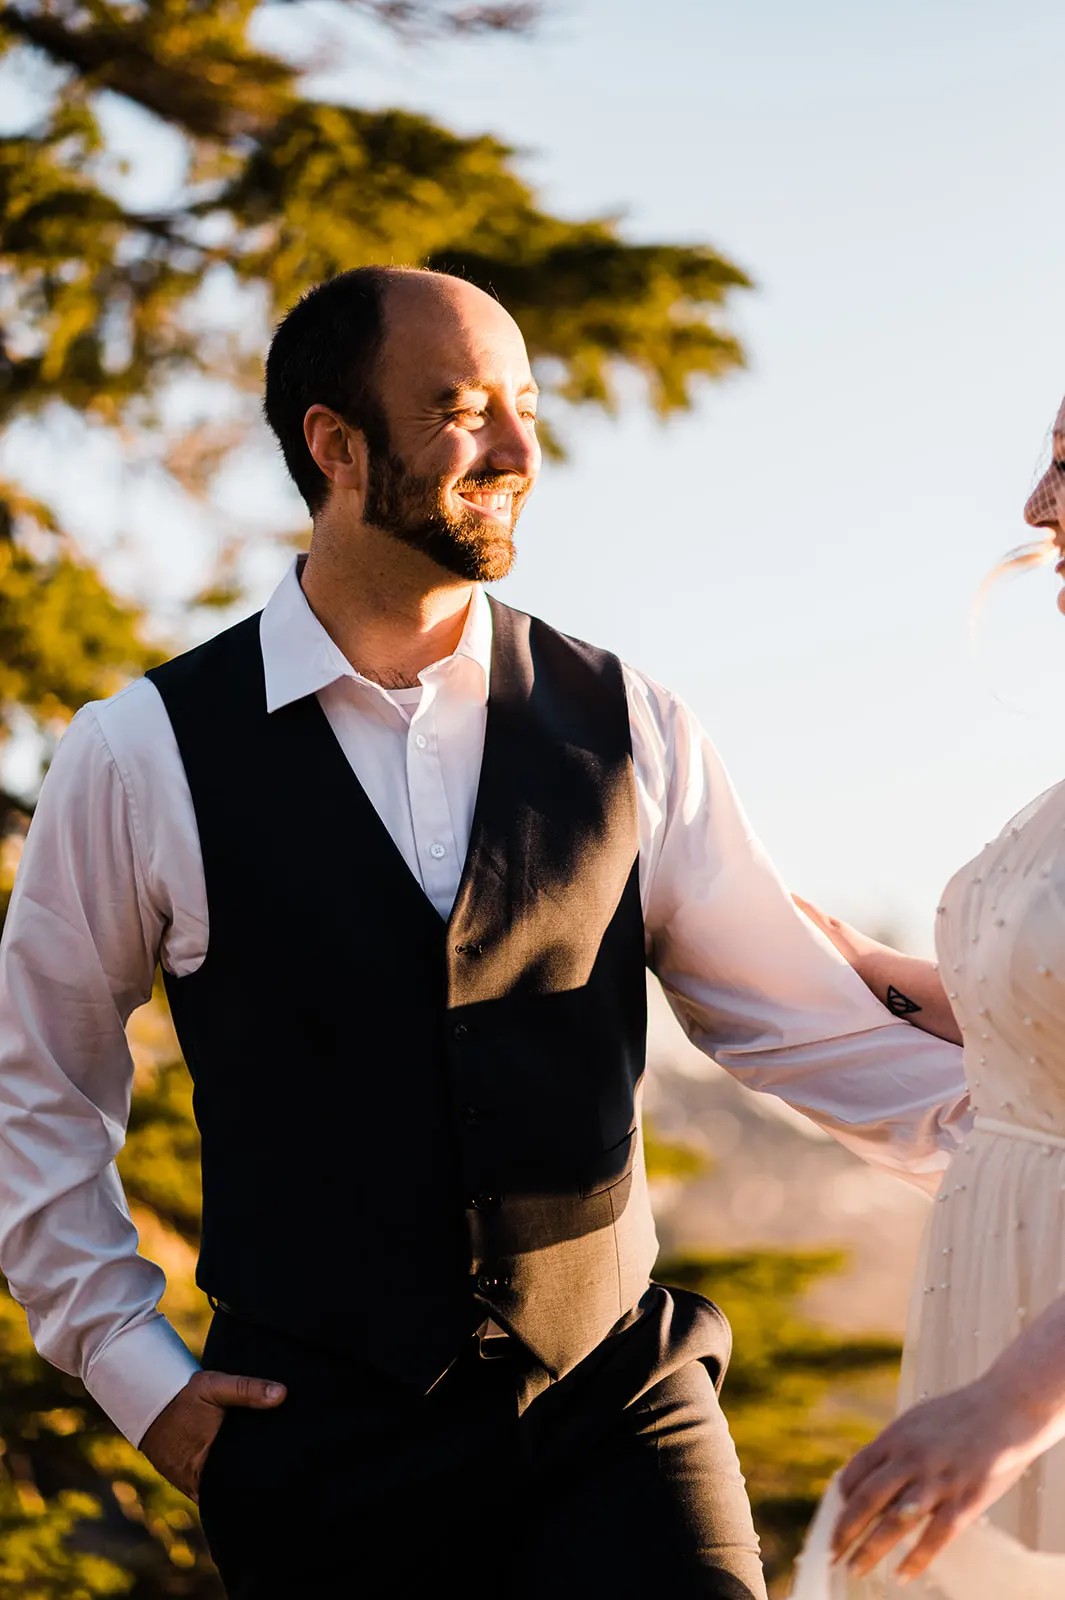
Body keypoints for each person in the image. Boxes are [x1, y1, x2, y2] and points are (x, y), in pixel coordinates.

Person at [0, 266, 969, 1599]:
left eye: (523, 405)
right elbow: (34, 1081)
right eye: (462, 410)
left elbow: (800, 1022)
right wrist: (133, 1369)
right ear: (336, 446)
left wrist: (1024, 1154)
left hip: (618, 1413)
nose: (518, 451)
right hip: (319, 1451)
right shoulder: (140, 753)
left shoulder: (630, 721)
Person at [793, 395, 1065, 1594]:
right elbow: (1018, 1004)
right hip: (993, 1292)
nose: (1034, 508)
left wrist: (1011, 1404)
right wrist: (834, 955)